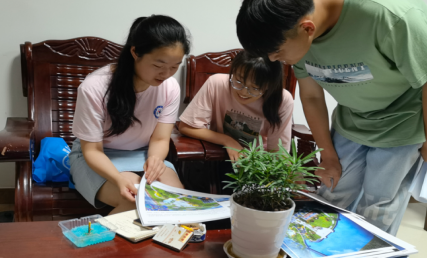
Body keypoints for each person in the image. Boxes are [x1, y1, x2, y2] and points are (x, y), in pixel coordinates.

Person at [237, 0, 427, 258]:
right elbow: (311, 96)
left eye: (277, 53)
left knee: (379, 202)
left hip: (408, 115)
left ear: (308, 29)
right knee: (333, 191)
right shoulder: (294, 29)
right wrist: (328, 153)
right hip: (354, 114)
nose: (275, 61)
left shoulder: (389, 15)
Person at [69, 15, 190, 215]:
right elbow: (92, 150)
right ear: (135, 52)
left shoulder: (170, 87)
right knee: (139, 200)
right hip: (98, 157)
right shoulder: (94, 87)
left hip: (142, 154)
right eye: (158, 66)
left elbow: (160, 139)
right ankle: (96, 236)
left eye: (174, 66)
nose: (166, 74)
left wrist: (156, 159)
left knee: (177, 202)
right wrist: (118, 179)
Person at [178, 51, 294, 184]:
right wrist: (228, 141)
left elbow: (278, 154)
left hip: (257, 164)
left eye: (255, 88)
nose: (243, 92)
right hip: (218, 155)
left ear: (269, 85)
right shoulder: (216, 83)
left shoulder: (282, 100)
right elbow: (186, 126)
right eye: (238, 81)